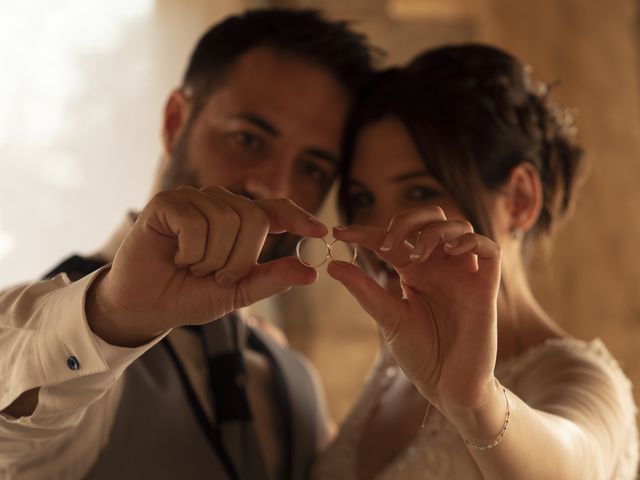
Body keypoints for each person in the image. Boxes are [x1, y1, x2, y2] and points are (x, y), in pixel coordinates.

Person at [0, 8, 377, 480]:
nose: (274, 186)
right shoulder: (69, 330)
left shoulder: (294, 380)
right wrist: (114, 316)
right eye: (247, 138)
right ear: (176, 121)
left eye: (313, 169)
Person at [312, 44, 639, 479]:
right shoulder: (395, 368)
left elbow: (574, 464)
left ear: (520, 199)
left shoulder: (580, 380)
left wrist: (476, 403)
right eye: (363, 199)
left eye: (420, 193)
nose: (384, 232)